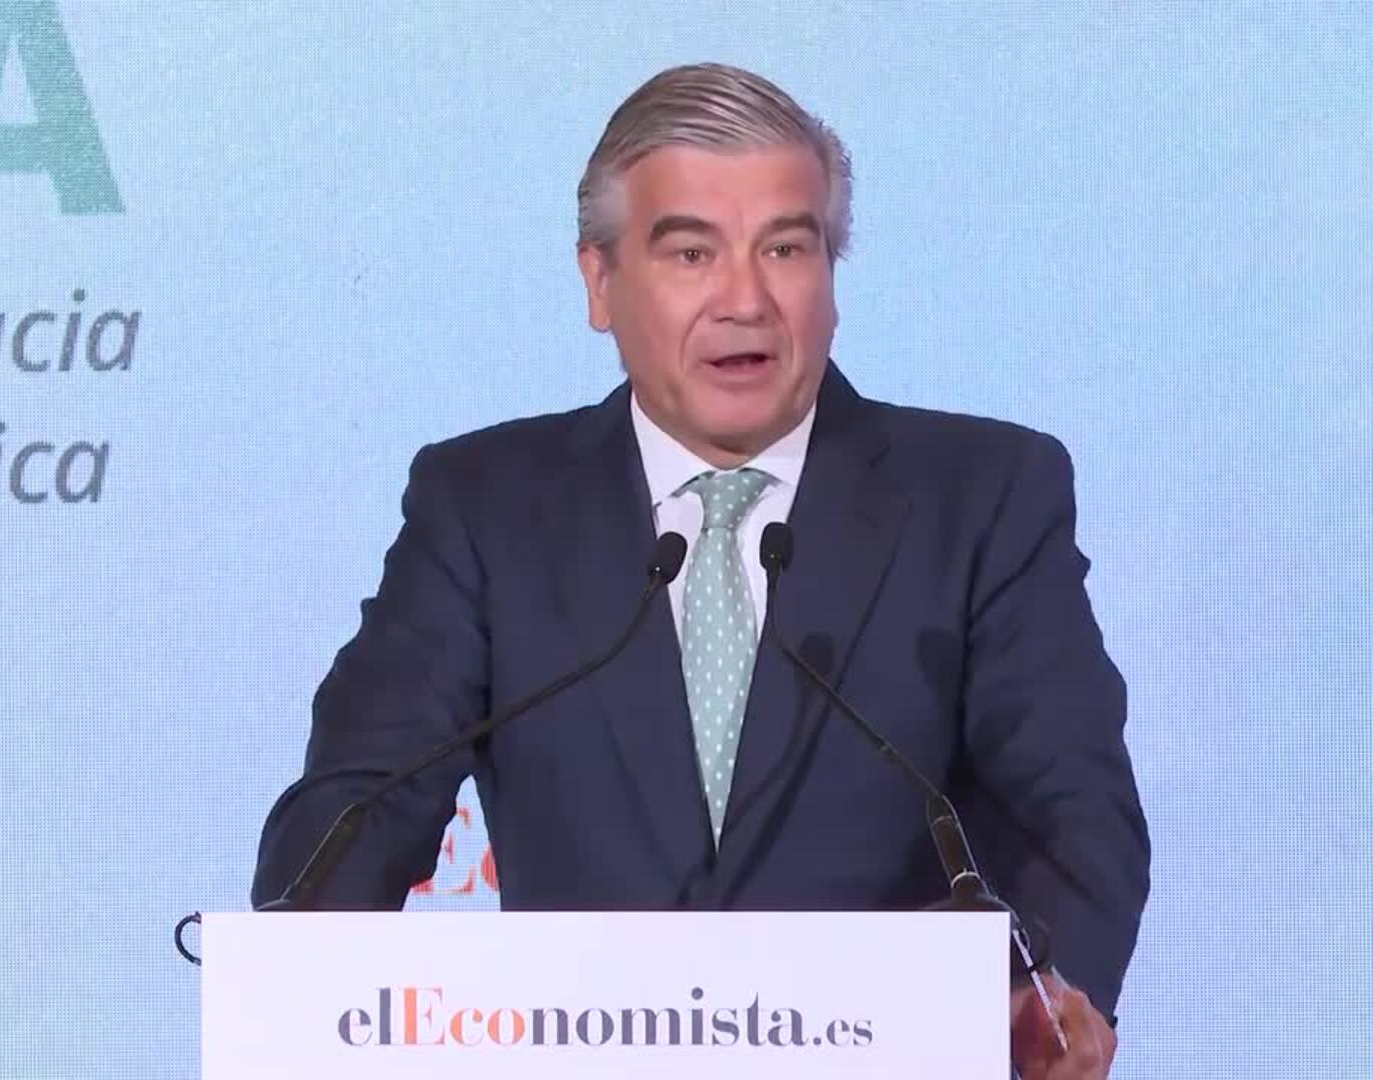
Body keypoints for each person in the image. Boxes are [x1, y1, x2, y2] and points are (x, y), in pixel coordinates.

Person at [252, 62, 1148, 1078]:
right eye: (691, 252)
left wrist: (1048, 996)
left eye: (786, 249)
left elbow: (1072, 814)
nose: (745, 300)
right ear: (600, 283)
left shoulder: (983, 495)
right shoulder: (486, 507)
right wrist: (303, 968)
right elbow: (362, 803)